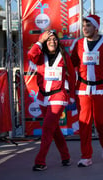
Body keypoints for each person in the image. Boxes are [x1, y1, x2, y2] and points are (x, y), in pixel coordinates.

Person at [71, 14, 103, 167]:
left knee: (101, 121)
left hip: (101, 89)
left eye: (88, 26)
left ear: (96, 27)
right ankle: (86, 156)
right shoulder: (78, 44)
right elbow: (71, 64)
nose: (85, 28)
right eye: (84, 26)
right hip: (83, 89)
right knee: (84, 123)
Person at [28, 30, 76, 171]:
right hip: (44, 97)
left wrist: (71, 94)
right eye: (49, 39)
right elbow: (31, 55)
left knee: (47, 129)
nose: (52, 41)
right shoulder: (40, 55)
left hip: (58, 96)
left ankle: (40, 161)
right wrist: (40, 41)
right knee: (54, 130)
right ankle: (66, 156)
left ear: (58, 41)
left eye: (54, 39)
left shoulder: (64, 56)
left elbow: (72, 76)